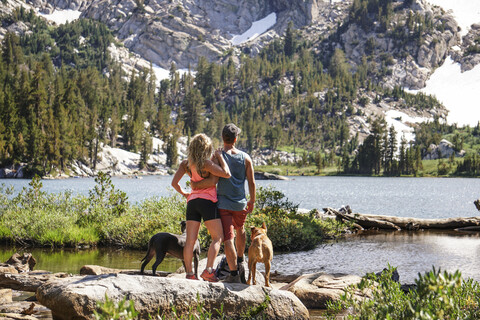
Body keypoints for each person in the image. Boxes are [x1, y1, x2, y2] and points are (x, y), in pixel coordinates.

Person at [192, 124, 256, 283]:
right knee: (240, 230)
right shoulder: (245, 157)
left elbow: (212, 180)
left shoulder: (217, 156)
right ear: (236, 139)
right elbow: (252, 182)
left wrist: (196, 185)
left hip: (223, 205)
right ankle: (240, 260)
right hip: (240, 204)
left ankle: (234, 274)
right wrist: (252, 200)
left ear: (222, 138)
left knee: (228, 239)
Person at [171, 133, 231, 281]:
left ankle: (190, 274)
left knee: (190, 241)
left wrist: (185, 194)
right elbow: (226, 174)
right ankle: (209, 271)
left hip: (192, 202)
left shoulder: (185, 164)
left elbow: (174, 183)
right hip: (208, 202)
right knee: (218, 238)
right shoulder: (207, 164)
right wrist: (220, 157)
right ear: (207, 148)